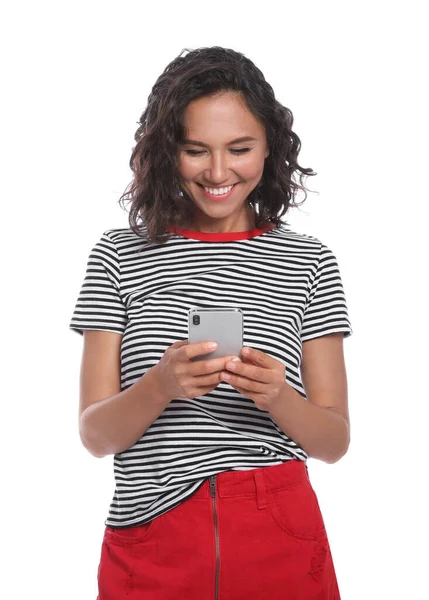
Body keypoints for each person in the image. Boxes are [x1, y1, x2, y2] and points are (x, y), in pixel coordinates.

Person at [70, 46, 353, 600]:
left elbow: (334, 440)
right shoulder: (116, 256)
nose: (219, 172)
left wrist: (277, 397)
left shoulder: (311, 261)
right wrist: (160, 386)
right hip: (151, 532)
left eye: (240, 149)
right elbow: (94, 435)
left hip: (277, 525)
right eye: (194, 150)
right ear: (164, 150)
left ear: (271, 147)